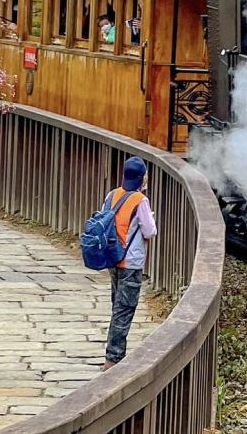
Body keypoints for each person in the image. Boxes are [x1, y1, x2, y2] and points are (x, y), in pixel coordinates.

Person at [102, 156, 157, 370]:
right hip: (131, 262)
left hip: (113, 259)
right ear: (143, 178)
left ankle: (113, 354)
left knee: (118, 305)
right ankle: (113, 358)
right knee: (124, 309)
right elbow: (150, 231)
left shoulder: (112, 194)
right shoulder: (140, 201)